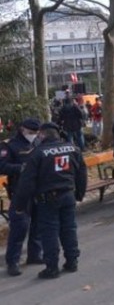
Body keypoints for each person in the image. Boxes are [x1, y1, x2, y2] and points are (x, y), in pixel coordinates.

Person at [13, 123, 87, 279]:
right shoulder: (73, 148)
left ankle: (52, 268)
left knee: (49, 233)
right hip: (68, 195)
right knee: (69, 229)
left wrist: (19, 205)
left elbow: (26, 182)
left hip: (48, 199)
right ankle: (72, 261)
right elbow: (81, 173)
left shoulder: (37, 154)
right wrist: (80, 194)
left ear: (42, 135)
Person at [0, 118, 43, 276]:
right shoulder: (10, 145)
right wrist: (21, 168)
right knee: (20, 227)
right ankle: (13, 261)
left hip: (38, 190)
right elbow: (2, 166)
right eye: (31, 133)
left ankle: (34, 254)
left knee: (38, 224)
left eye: (36, 133)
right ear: (23, 130)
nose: (34, 135)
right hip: (20, 192)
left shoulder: (38, 142)